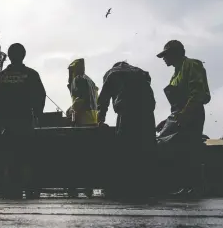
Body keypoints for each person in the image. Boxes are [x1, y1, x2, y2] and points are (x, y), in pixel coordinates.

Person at [156, 40, 211, 196]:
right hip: (180, 115)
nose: (164, 59)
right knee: (181, 151)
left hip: (192, 113)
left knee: (191, 149)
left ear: (175, 53)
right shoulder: (176, 73)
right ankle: (187, 186)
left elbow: (197, 93)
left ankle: (197, 187)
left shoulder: (192, 65)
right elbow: (176, 104)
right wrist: (167, 121)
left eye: (166, 55)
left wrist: (185, 113)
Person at [0, 43, 46, 199]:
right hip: (25, 121)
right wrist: (37, 115)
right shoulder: (31, 74)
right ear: (24, 55)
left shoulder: (0, 76)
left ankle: (12, 190)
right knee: (28, 156)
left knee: (10, 156)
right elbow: (40, 96)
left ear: (9, 56)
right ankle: (30, 190)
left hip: (6, 124)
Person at [97, 61, 157, 197]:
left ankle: (125, 187)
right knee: (147, 146)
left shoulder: (111, 74)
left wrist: (100, 120)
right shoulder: (141, 72)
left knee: (125, 146)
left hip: (127, 109)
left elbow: (103, 99)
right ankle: (150, 186)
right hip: (147, 110)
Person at [66, 58, 99, 198]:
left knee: (77, 155)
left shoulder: (78, 79)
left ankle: (73, 187)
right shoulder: (90, 81)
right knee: (89, 155)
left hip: (82, 121)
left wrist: (70, 110)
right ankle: (88, 187)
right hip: (93, 120)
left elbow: (80, 99)